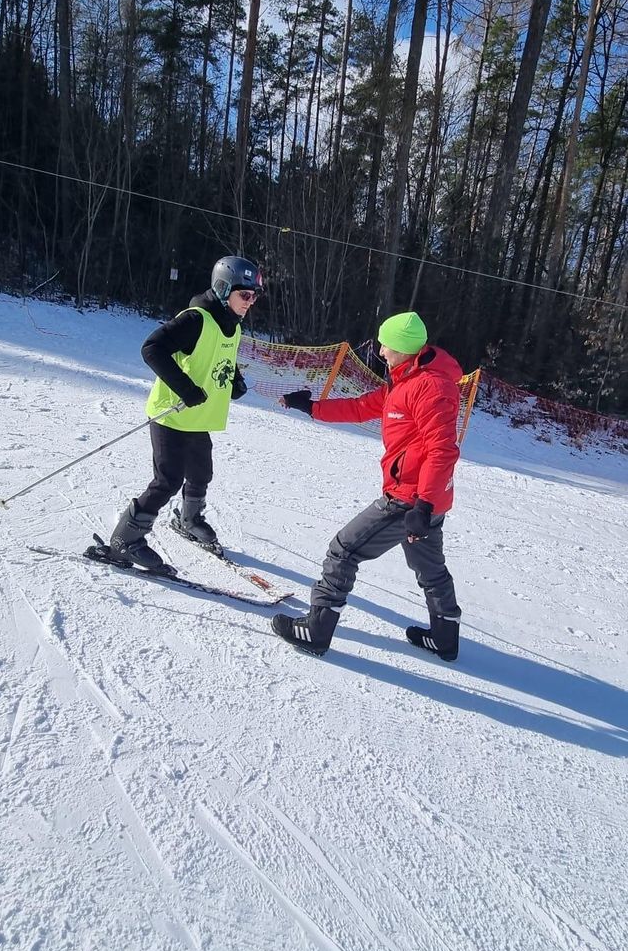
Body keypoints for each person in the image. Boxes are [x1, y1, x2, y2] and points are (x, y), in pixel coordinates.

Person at [272, 310, 462, 661]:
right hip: (423, 499)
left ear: (403, 348)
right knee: (430, 569)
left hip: (410, 498)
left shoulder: (430, 387)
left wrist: (423, 505)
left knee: (343, 550)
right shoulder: (404, 380)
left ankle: (316, 630)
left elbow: (442, 449)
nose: (381, 351)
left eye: (385, 344)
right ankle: (445, 637)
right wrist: (311, 408)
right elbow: (361, 407)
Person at [109, 256, 263, 571]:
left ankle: (189, 519)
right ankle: (125, 540)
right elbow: (152, 348)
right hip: (171, 416)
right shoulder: (196, 319)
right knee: (167, 480)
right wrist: (185, 388)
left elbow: (220, 356)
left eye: (255, 296)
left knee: (201, 473)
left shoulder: (232, 324)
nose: (250, 302)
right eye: (244, 294)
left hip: (197, 419)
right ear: (223, 289)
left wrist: (234, 381)